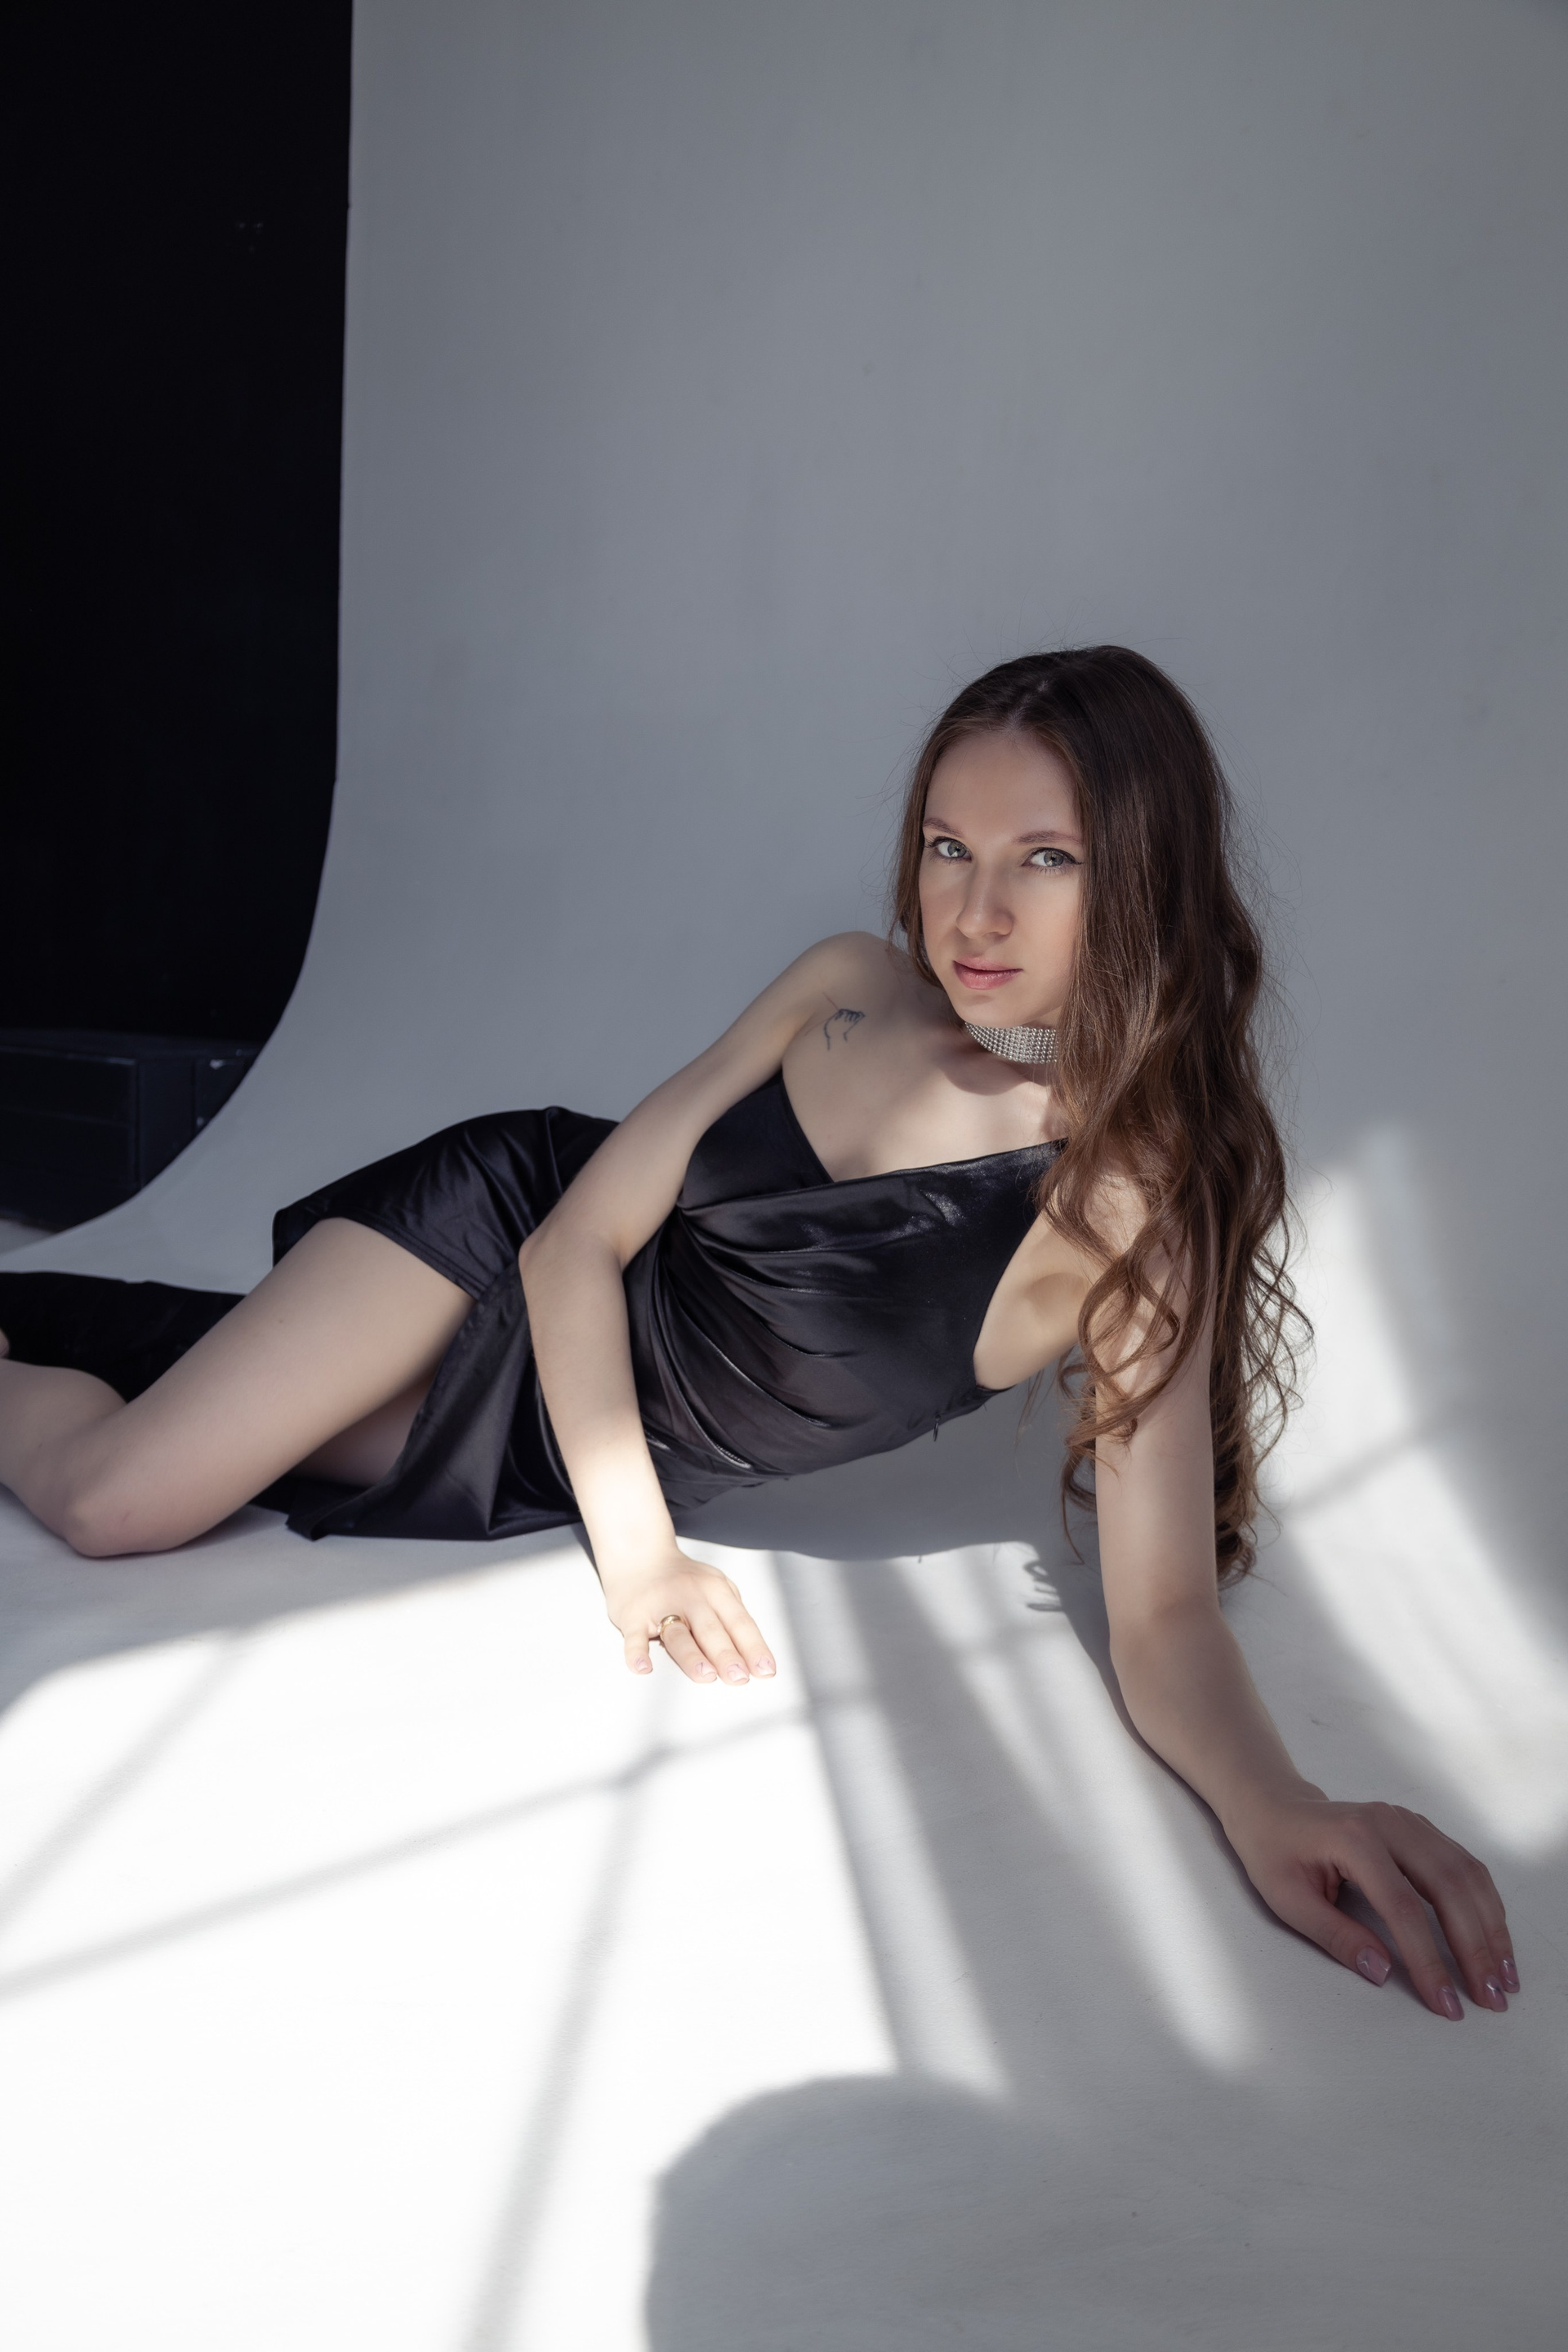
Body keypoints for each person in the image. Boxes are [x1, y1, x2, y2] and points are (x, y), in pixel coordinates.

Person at [0, 646, 1517, 2023]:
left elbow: (1166, 1612)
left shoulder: (1131, 1207)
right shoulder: (847, 987)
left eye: (1044, 859)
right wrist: (642, 1558)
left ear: (1147, 876)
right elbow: (573, 1239)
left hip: (553, 1432)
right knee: (122, 1502)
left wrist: (1276, 1804)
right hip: (497, 1245)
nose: (974, 912)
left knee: (194, 1384)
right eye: (948, 848)